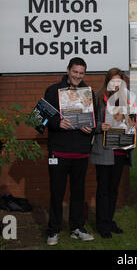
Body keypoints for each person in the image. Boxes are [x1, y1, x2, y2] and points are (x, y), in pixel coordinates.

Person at [44, 57, 95, 246]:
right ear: (68, 70)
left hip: (81, 153)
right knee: (57, 193)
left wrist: (91, 127)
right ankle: (53, 230)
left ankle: (76, 228)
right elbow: (38, 119)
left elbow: (95, 121)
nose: (78, 76)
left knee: (78, 193)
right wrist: (58, 123)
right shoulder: (52, 91)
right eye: (75, 72)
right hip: (58, 152)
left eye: (81, 73)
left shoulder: (89, 94)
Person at [90, 68, 137, 239]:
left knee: (113, 189)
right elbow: (90, 122)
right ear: (107, 81)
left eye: (119, 81)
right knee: (103, 189)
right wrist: (100, 127)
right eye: (113, 81)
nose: (116, 84)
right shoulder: (98, 97)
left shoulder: (128, 99)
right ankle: (102, 224)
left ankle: (109, 219)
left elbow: (134, 121)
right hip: (104, 150)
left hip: (121, 151)